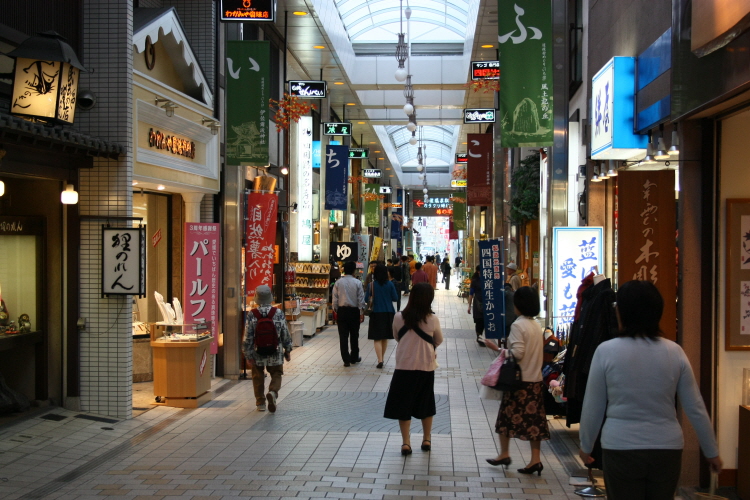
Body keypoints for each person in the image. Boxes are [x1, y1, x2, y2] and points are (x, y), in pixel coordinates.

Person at [578, 280, 722, 499]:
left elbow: (593, 406)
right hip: (667, 448)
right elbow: (695, 407)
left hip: (620, 446)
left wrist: (586, 445)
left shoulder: (606, 352)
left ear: (622, 312)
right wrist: (711, 452)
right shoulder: (675, 352)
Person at [484, 286, 548, 475]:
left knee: (506, 418)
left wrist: (497, 349)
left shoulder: (518, 325)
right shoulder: (536, 324)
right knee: (534, 422)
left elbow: (518, 353)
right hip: (535, 379)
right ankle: (535, 460)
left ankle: (504, 453)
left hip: (520, 382)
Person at [384, 283, 443, 455]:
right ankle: (426, 439)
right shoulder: (432, 319)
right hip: (425, 367)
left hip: (403, 367)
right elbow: (438, 340)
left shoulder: (398, 317)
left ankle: (406, 443)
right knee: (426, 403)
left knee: (403, 404)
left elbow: (396, 336)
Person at [243, 285, 293, 413]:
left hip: (257, 350)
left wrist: (248, 354)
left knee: (257, 376)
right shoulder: (278, 313)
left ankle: (260, 403)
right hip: (275, 350)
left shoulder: (252, 314)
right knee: (276, 373)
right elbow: (285, 333)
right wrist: (287, 349)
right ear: (270, 297)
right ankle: (273, 392)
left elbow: (248, 335)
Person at [332, 260, 365, 367]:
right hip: (354, 311)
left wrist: (336, 310)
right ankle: (354, 357)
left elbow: (335, 299)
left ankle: (346, 359)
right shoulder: (358, 283)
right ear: (354, 270)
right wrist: (361, 312)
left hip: (342, 311)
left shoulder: (338, 283)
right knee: (354, 335)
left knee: (343, 336)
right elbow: (361, 299)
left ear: (344, 270)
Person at [365, 263, 398, 368]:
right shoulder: (390, 284)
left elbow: (366, 299)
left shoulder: (371, 285)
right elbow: (395, 298)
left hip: (376, 313)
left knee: (377, 338)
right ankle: (382, 359)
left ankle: (380, 360)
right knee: (385, 337)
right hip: (389, 313)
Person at [467, 265, 485, 345]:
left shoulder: (488, 280)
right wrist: (469, 306)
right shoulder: (475, 281)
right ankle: (479, 337)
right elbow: (471, 294)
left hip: (487, 303)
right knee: (479, 320)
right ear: (478, 271)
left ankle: (481, 337)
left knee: (484, 321)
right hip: (477, 303)